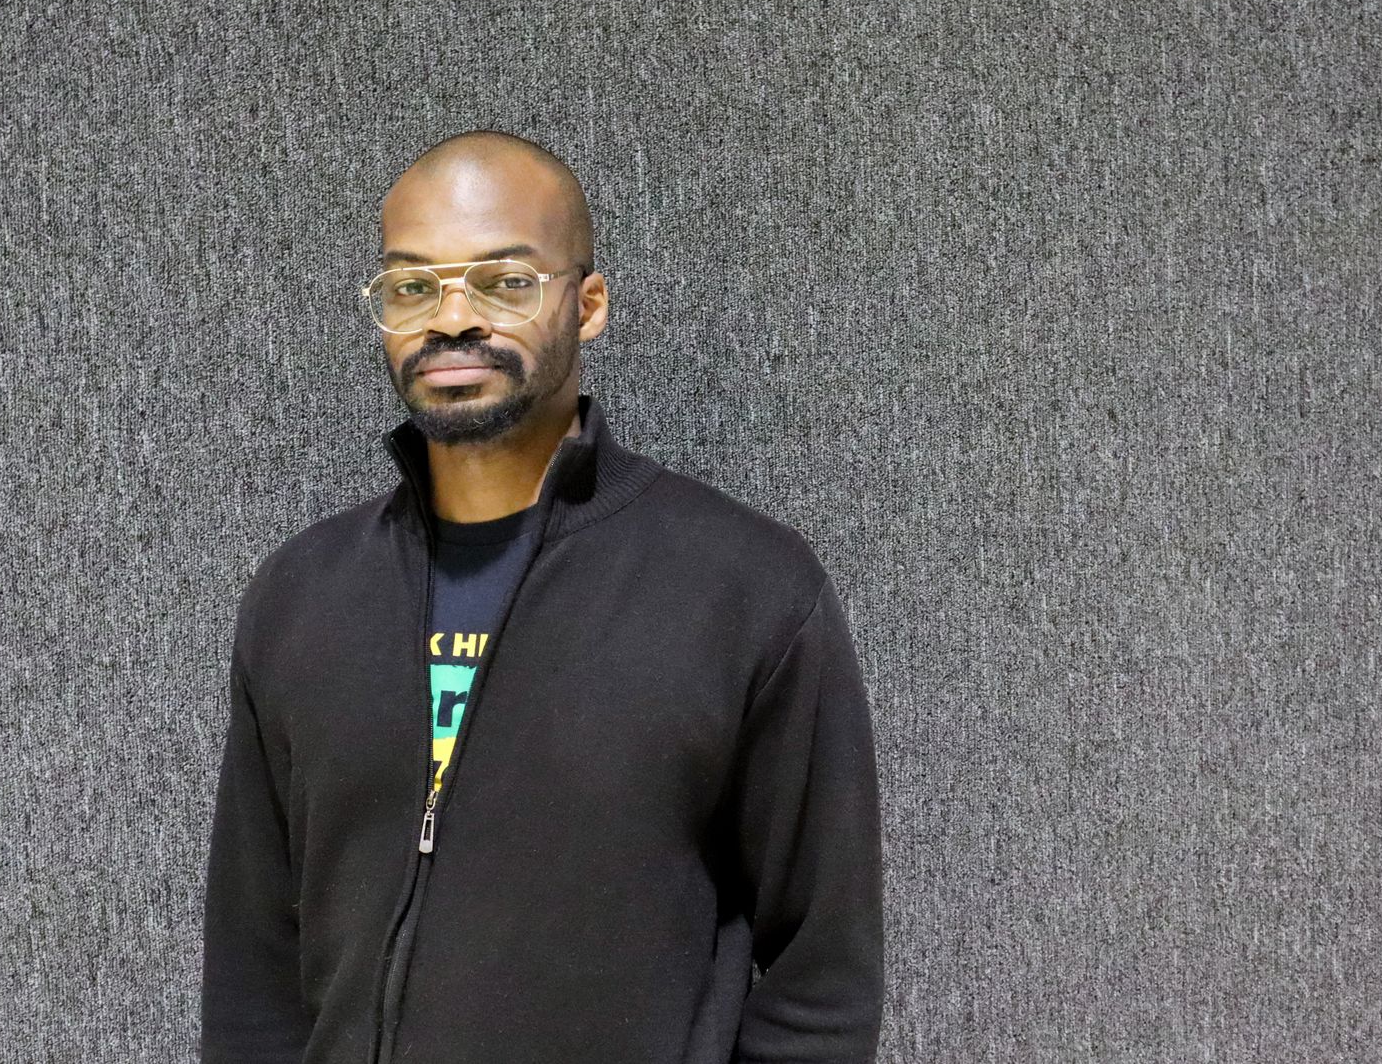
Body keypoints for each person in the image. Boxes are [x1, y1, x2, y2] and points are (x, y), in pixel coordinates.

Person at [200, 129, 884, 1063]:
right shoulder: (302, 593)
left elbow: (824, 977)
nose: (450, 318)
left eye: (504, 282)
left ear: (588, 303)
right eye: (411, 286)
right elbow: (253, 966)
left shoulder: (744, 589)